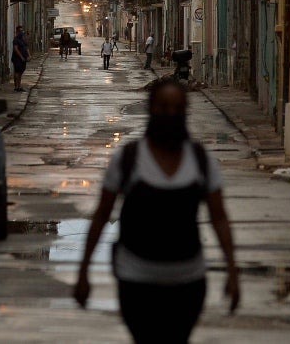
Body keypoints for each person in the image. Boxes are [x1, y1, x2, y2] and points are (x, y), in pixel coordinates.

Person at [73, 79, 240, 343]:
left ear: (185, 112)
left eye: (177, 108)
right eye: (163, 107)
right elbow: (102, 215)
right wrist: (83, 271)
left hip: (189, 281)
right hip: (136, 280)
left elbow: (219, 217)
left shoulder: (200, 160)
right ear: (151, 110)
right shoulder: (127, 159)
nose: (170, 114)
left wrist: (233, 272)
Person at [11, 27, 31, 92]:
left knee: (20, 73)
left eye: (22, 31)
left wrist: (29, 55)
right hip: (17, 59)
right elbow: (16, 49)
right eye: (20, 31)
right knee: (17, 72)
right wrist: (21, 57)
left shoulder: (23, 40)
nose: (22, 32)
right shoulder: (16, 40)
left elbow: (26, 48)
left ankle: (19, 86)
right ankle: (16, 87)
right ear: (17, 31)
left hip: (23, 59)